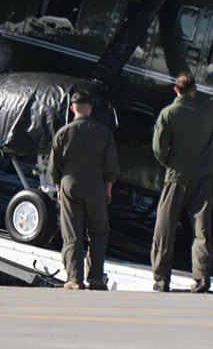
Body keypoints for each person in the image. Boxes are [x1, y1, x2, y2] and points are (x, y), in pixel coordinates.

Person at [150, 68, 213, 293]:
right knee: (202, 231)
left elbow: (159, 149)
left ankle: (161, 279)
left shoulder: (167, 114)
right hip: (201, 180)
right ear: (194, 91)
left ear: (176, 90)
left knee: (164, 229)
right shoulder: (206, 110)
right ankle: (202, 278)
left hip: (176, 178)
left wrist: (170, 161)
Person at [50, 91, 120, 290]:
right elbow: (112, 167)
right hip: (95, 185)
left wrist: (59, 189)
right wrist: (108, 189)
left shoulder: (63, 133)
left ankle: (74, 278)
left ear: (72, 109)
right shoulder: (104, 133)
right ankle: (96, 277)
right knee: (98, 232)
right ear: (90, 108)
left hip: (70, 184)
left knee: (72, 232)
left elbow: (55, 168)